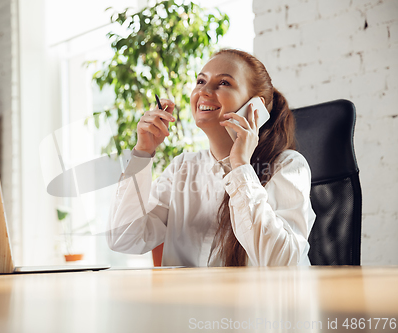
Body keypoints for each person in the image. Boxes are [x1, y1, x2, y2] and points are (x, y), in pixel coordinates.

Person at [107, 48, 316, 266]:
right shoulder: (182, 168)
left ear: (256, 107)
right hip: (191, 299)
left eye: (224, 83)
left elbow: (281, 262)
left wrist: (240, 168)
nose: (204, 91)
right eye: (200, 81)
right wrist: (142, 153)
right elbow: (123, 239)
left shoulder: (288, 166)